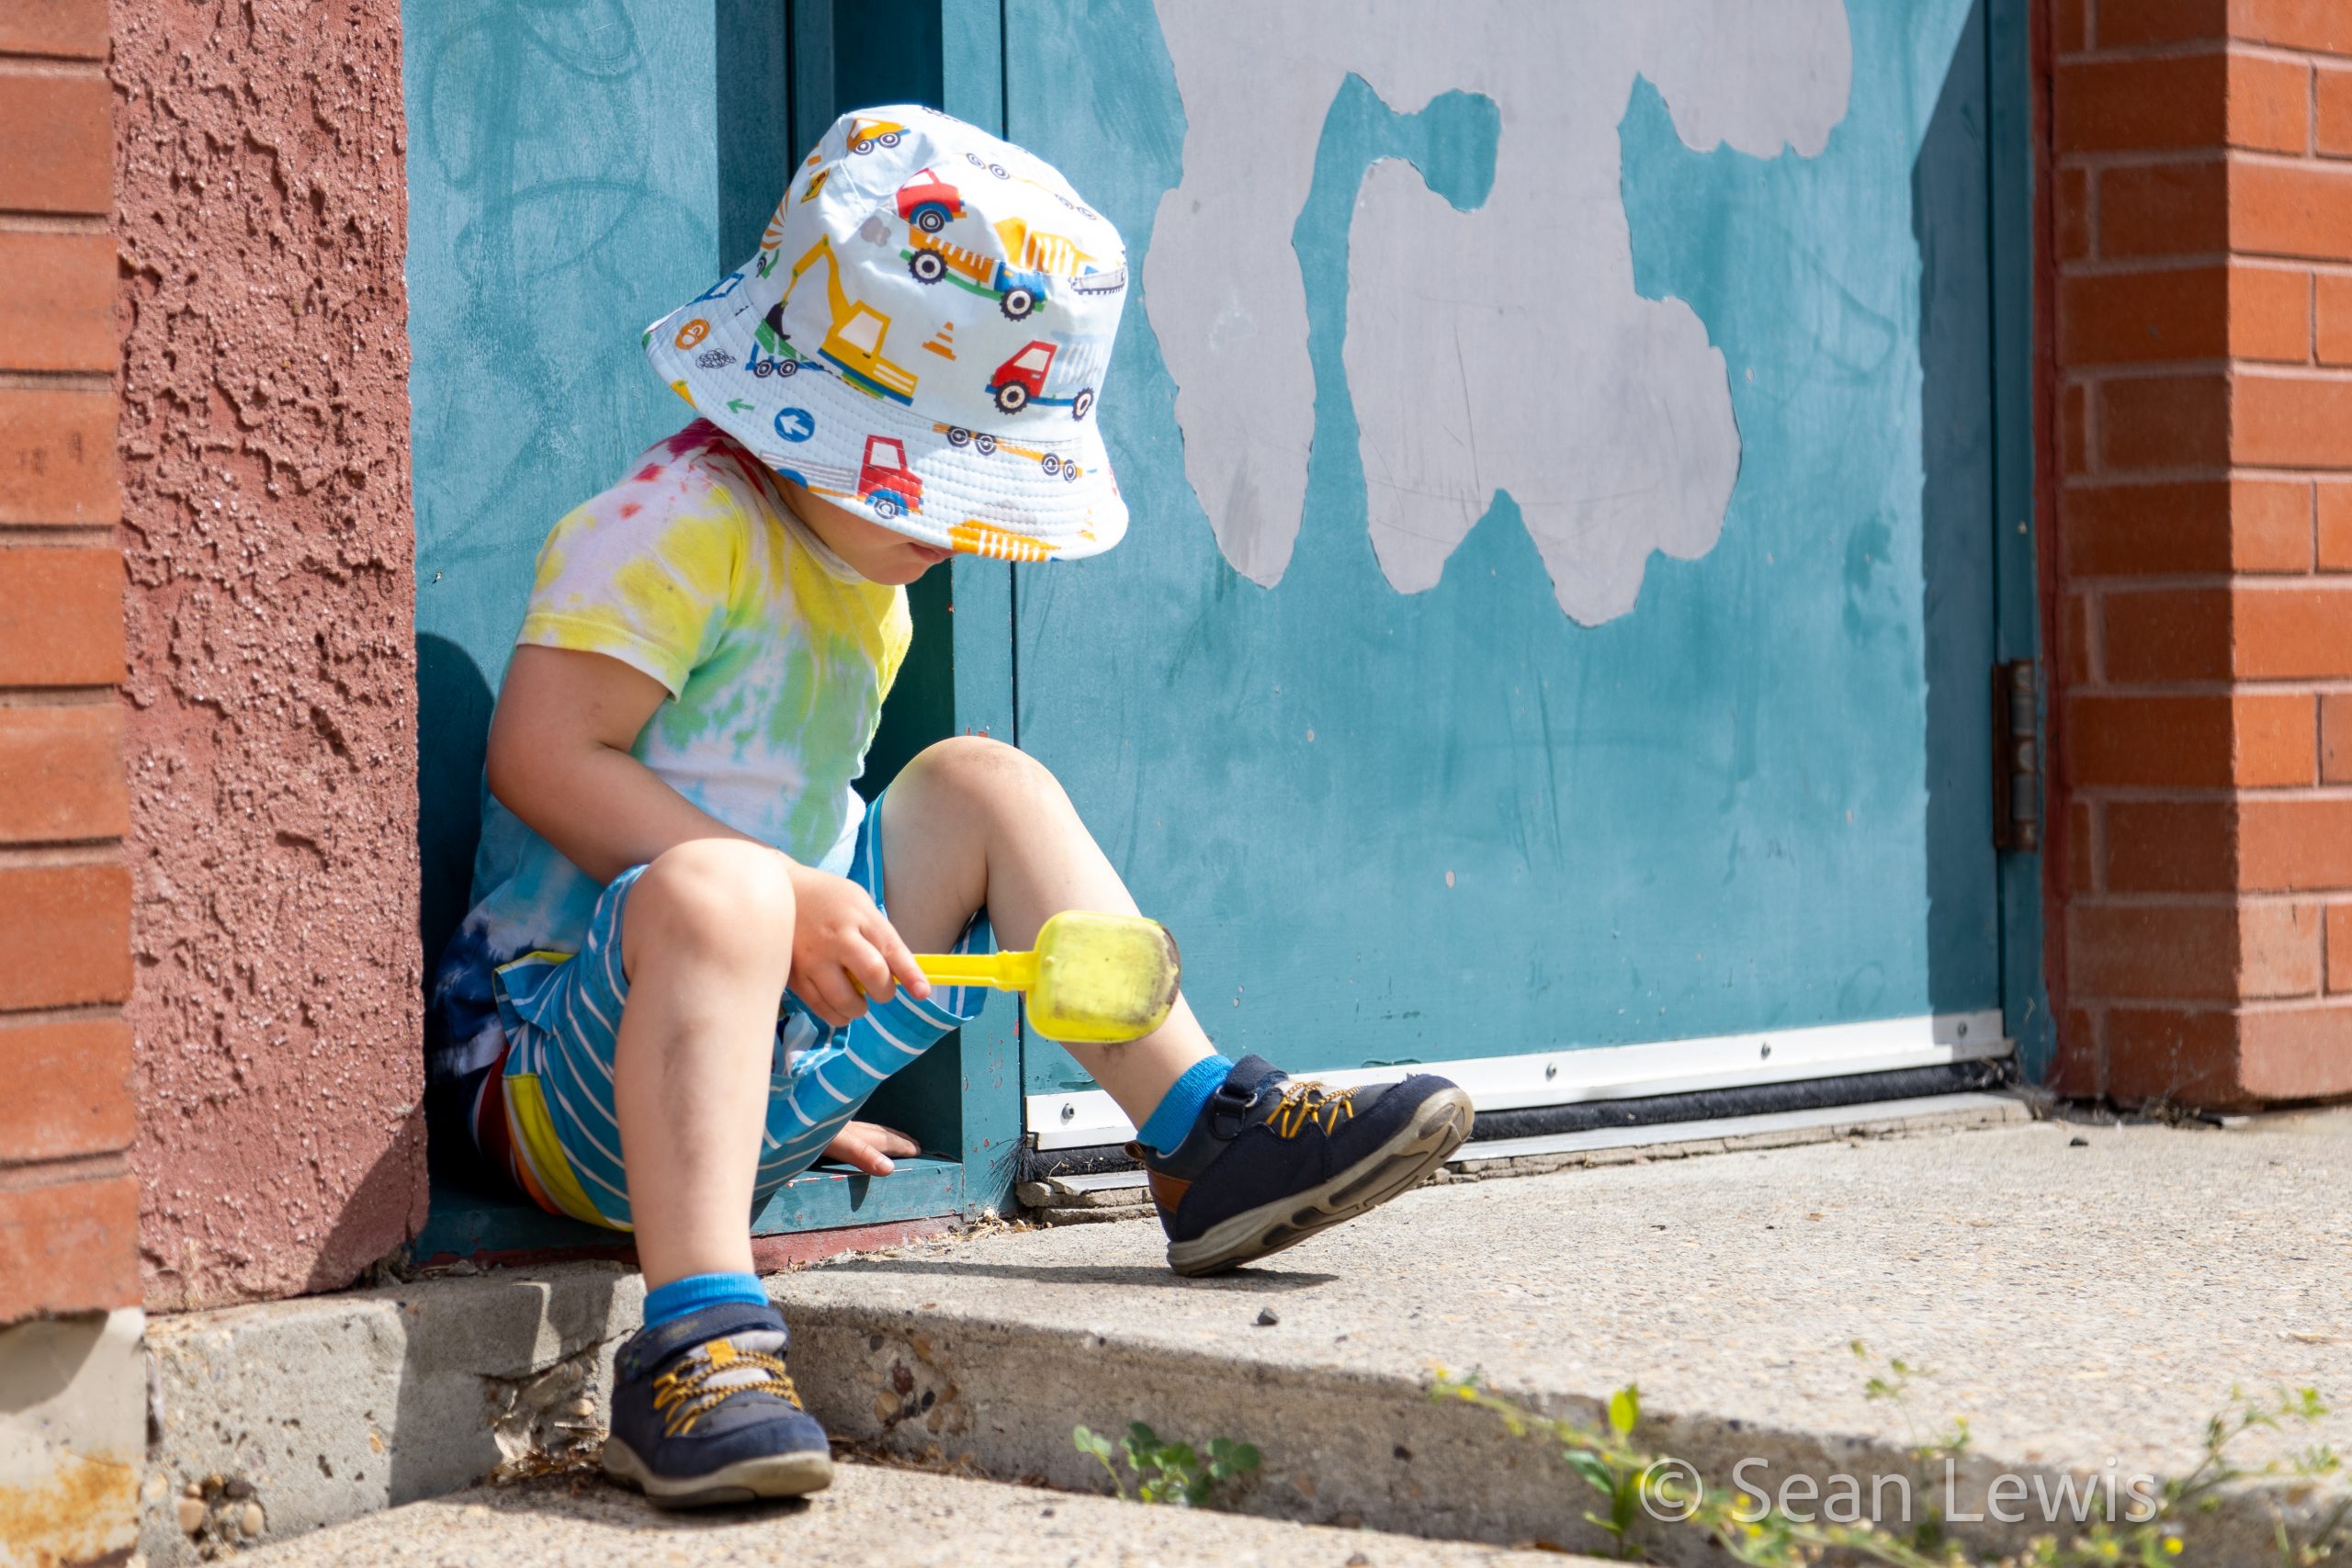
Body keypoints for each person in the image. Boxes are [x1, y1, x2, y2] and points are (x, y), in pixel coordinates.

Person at [425, 104, 1472, 1509]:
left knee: (981, 780)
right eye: (923, 478)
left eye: (975, 495)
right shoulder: (672, 525)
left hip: (724, 1058)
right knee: (725, 888)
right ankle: (695, 1346)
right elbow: (540, 760)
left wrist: (736, 1080)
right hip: (560, 1065)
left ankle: (1201, 1131)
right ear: (800, 415)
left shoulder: (864, 578)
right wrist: (769, 912)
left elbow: (814, 846)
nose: (953, 529)